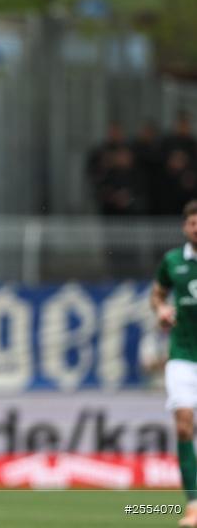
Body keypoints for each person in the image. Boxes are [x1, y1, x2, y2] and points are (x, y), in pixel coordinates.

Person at [151, 200, 197, 527]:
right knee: (183, 424)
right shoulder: (172, 261)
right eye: (194, 223)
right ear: (185, 227)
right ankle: (194, 505)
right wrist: (161, 311)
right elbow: (157, 294)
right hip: (182, 355)